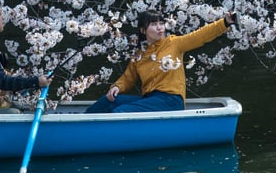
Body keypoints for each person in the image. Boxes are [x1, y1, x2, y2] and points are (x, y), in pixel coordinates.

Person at [85, 10, 236, 114]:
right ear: (143, 30)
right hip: (150, 100)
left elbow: (200, 36)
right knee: (110, 101)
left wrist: (225, 23)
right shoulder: (140, 54)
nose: (159, 28)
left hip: (171, 100)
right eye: (153, 24)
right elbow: (128, 78)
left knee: (119, 112)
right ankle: (81, 124)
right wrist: (117, 86)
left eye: (161, 23)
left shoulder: (174, 43)